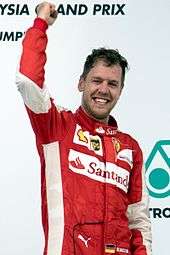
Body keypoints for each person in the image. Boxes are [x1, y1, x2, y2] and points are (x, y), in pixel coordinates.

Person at [16, 2, 152, 255]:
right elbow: (27, 80)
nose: (103, 89)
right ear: (81, 83)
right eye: (96, 80)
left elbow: (139, 222)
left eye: (113, 83)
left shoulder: (130, 148)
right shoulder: (56, 127)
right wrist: (41, 24)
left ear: (121, 91)